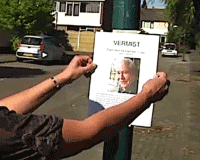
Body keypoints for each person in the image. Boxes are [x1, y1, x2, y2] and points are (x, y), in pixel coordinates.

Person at [0, 55, 170, 159]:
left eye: (125, 72)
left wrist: (63, 78)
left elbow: (4, 109)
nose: (121, 77)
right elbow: (89, 132)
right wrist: (147, 96)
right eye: (117, 73)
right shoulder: (11, 132)